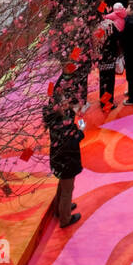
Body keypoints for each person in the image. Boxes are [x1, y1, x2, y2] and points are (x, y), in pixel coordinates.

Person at [42, 82, 84, 228]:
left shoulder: (54, 120)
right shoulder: (64, 124)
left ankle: (59, 209)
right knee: (67, 190)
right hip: (68, 161)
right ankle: (65, 218)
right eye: (64, 100)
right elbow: (74, 138)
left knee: (62, 185)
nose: (67, 101)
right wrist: (80, 132)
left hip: (58, 160)